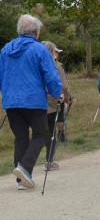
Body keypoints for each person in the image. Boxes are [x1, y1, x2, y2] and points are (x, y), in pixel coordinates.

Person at [0, 14, 63, 190]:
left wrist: (7, 93)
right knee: (41, 133)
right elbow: (50, 74)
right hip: (33, 100)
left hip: (12, 101)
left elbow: (1, 75)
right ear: (36, 32)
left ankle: (22, 181)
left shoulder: (5, 50)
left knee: (21, 138)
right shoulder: (39, 49)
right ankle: (25, 168)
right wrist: (56, 93)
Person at [42, 41, 72, 171]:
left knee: (39, 132)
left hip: (36, 102)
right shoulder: (56, 67)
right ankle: (49, 161)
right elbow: (63, 86)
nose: (57, 55)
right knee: (50, 132)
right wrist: (68, 98)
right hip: (53, 102)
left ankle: (25, 162)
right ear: (51, 53)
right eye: (55, 52)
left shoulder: (36, 66)